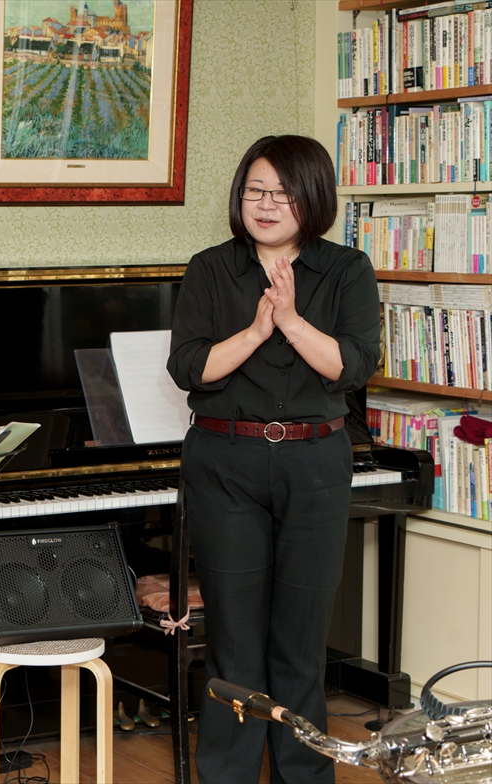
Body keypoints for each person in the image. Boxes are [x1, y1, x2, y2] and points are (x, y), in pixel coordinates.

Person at [167, 135, 380, 783]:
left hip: (314, 465)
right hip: (224, 462)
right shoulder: (210, 269)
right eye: (255, 191)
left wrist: (289, 320)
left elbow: (350, 366)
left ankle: (302, 776)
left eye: (282, 194)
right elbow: (189, 368)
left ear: (312, 199)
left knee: (300, 641)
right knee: (233, 642)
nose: (265, 204)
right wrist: (258, 329)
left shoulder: (347, 270)